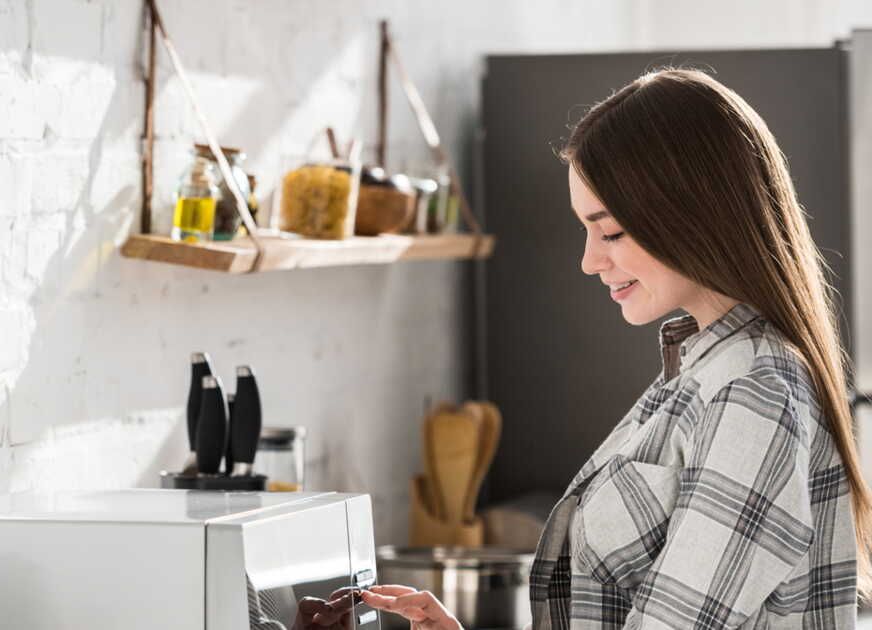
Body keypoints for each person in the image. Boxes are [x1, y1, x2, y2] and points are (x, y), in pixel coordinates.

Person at [363, 68, 871, 629]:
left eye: (610, 232)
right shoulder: (703, 369)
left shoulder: (751, 396)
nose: (589, 260)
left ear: (695, 215)